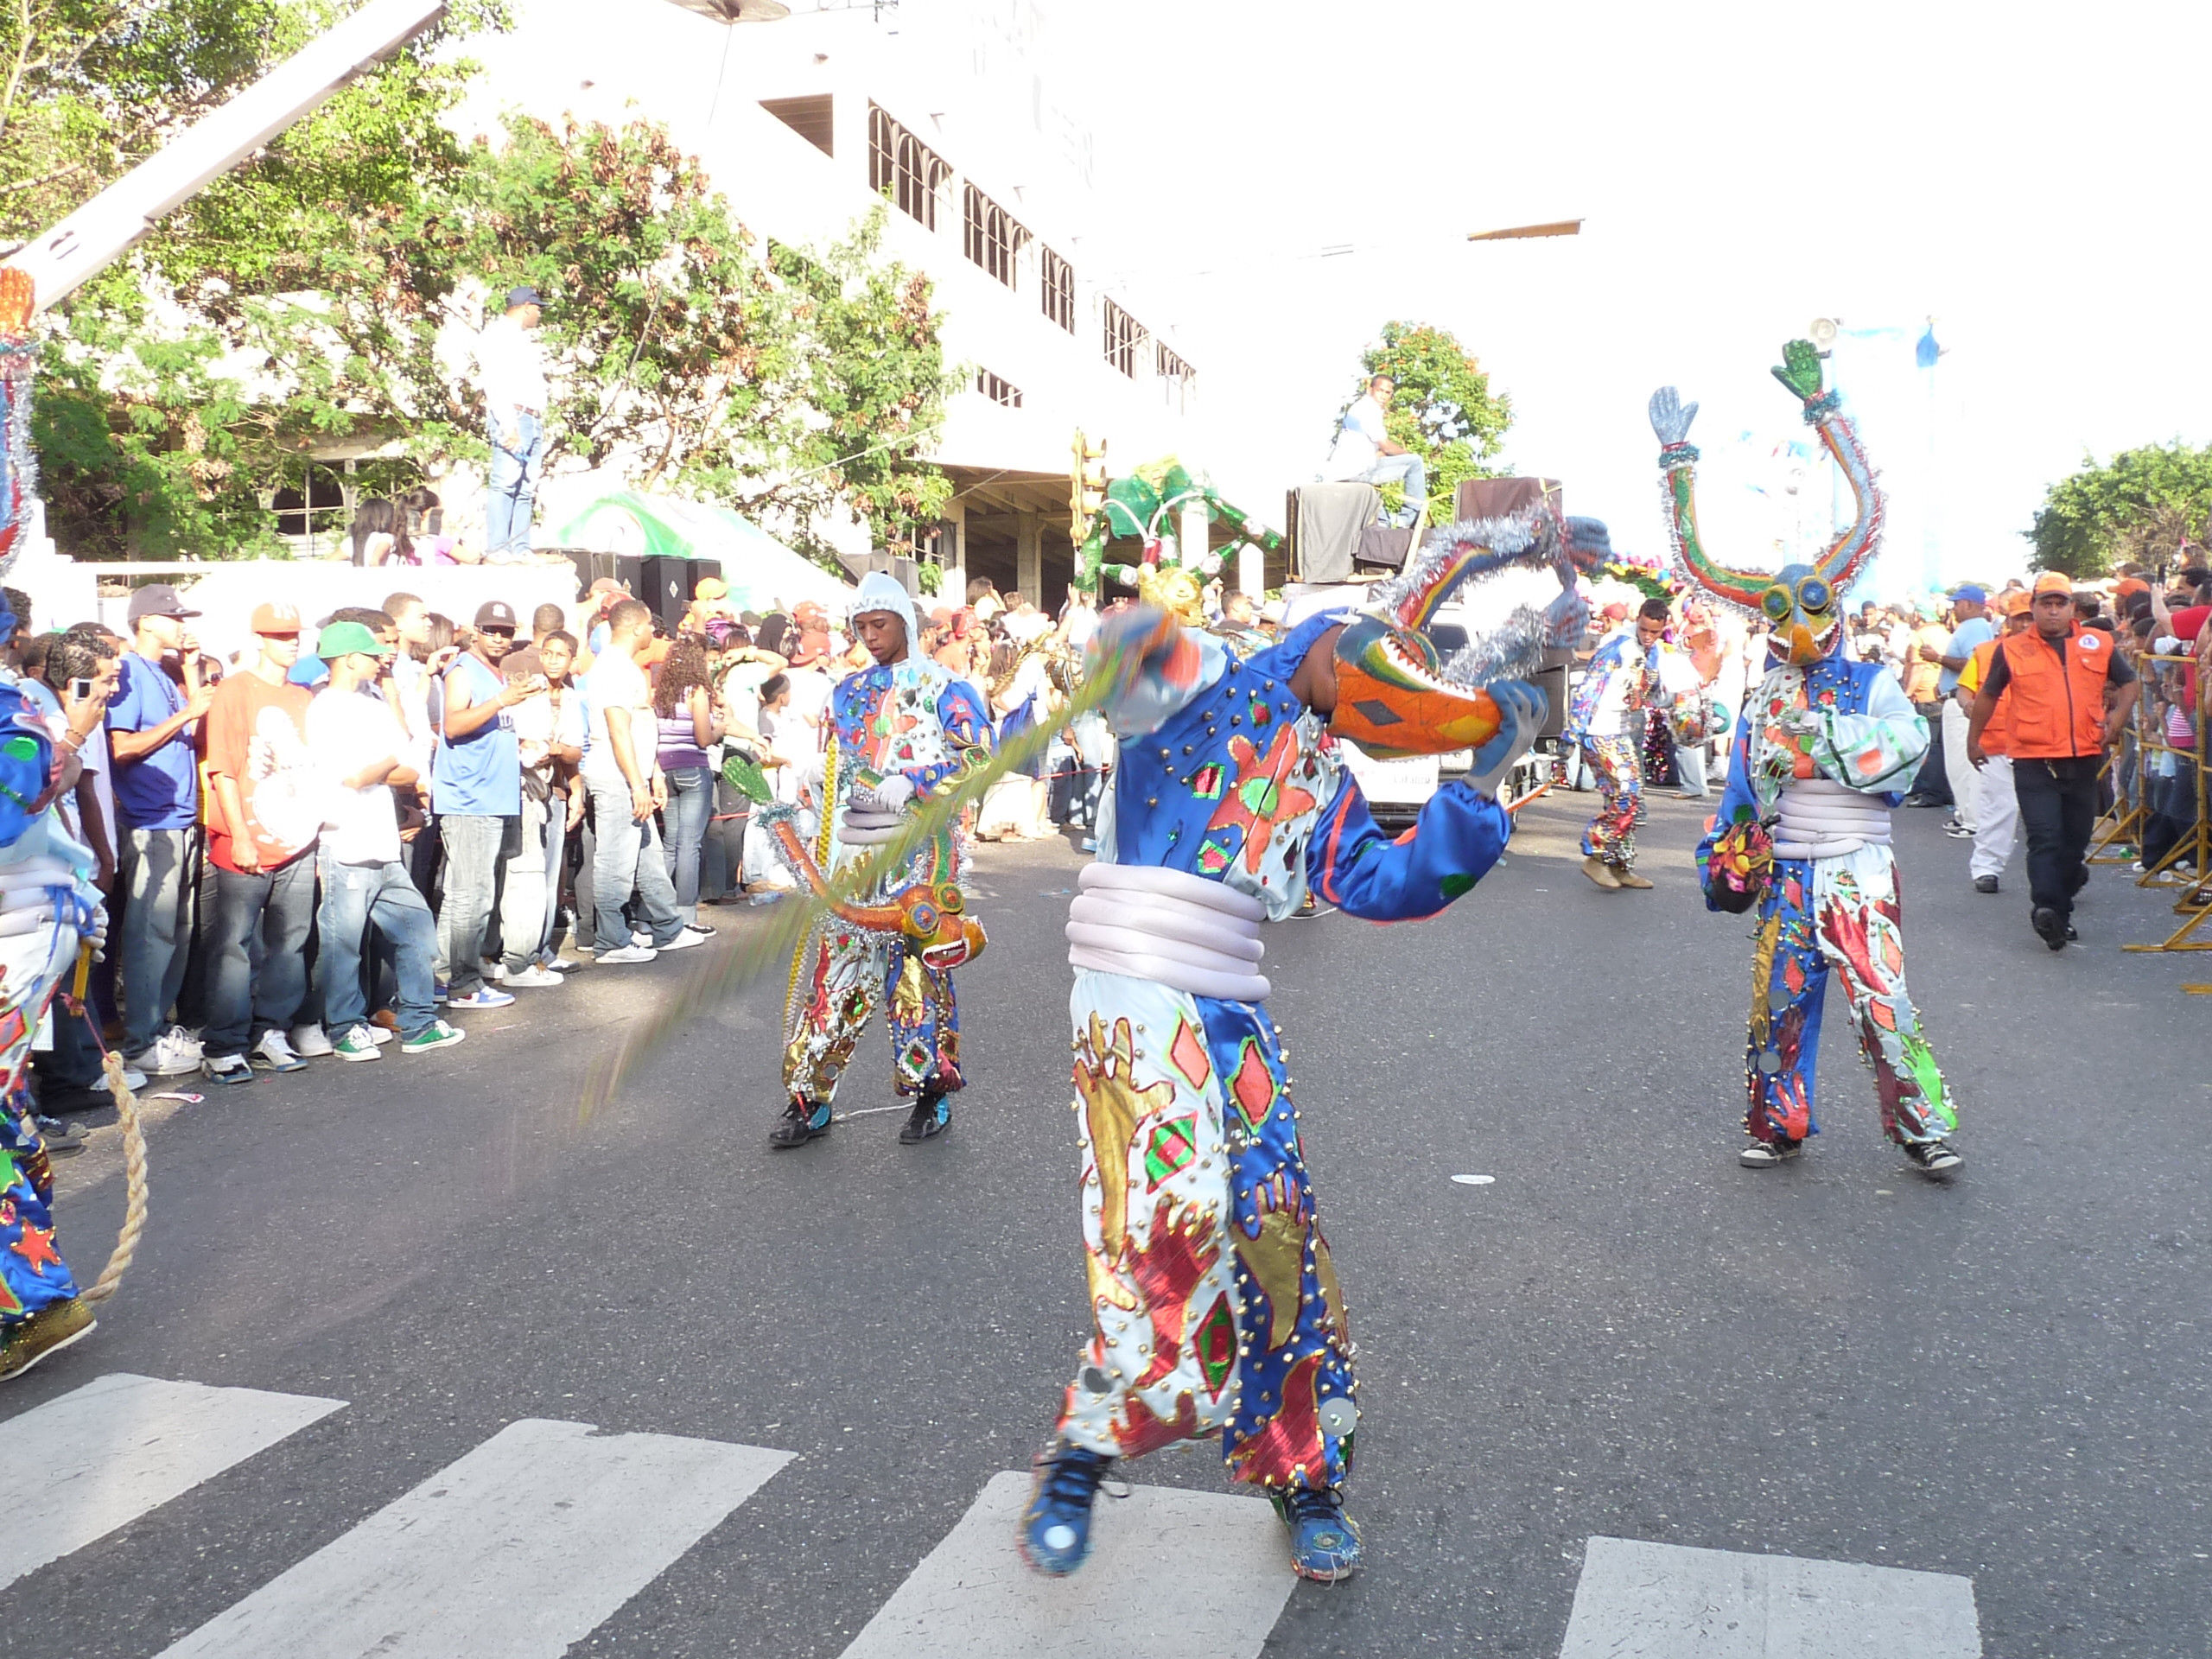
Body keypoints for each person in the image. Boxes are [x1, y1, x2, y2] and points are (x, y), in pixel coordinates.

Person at [1018, 520, 1560, 1585]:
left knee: (1276, 1239)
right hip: (1133, 1005)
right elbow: (1121, 667)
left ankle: (1303, 1473)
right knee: (1165, 1226)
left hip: (1233, 1013)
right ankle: (1085, 1448)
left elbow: (1382, 887)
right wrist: (1139, 626)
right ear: (1323, 639)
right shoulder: (1197, 686)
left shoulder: (1328, 775)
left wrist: (1477, 789)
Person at [1655, 349, 1961, 1179]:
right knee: (1780, 1006)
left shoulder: (1871, 682)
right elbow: (1744, 792)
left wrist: (1825, 408)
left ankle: (1923, 1127)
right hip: (1789, 872)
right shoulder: (1761, 697)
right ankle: (1778, 1121)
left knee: (1882, 1001)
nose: (1798, 630)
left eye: (1811, 611)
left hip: (1858, 865)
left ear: (1836, 609)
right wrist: (1726, 849)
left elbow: (1907, 748)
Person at [770, 573, 992, 1148]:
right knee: (837, 973)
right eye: (860, 626)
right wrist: (819, 784)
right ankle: (809, 1097)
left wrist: (915, 782)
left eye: (879, 624)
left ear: (904, 622)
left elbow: (980, 759)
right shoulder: (844, 693)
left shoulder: (946, 688)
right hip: (854, 853)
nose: (869, 636)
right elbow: (831, 766)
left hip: (921, 857)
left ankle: (930, 1094)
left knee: (916, 977)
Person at [306, 623, 464, 1059]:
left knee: (417, 930)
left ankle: (418, 1023)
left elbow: (405, 771)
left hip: (382, 841)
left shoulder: (373, 703)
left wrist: (384, 762)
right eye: (371, 653)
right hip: (345, 841)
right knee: (343, 945)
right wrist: (391, 756)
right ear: (347, 659)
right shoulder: (324, 709)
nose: (381, 659)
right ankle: (343, 1027)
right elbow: (353, 775)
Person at [1967, 571, 2138, 950]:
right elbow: (1988, 695)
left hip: (2084, 756)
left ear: (2073, 609)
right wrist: (1973, 741)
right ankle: (2047, 910)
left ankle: (2062, 910)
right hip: (2033, 758)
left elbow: (2130, 684)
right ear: (2034, 608)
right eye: (2046, 604)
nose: (2054, 611)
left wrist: (2118, 719)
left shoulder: (2099, 642)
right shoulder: (2010, 649)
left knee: (2074, 842)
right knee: (2044, 837)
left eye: (2061, 604)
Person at [199, 602, 321, 1084]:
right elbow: (222, 769)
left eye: (294, 633)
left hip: (296, 838)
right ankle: (223, 1044)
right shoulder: (234, 690)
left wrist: (312, 836)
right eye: (277, 634)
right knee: (234, 945)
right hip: (245, 838)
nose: (289, 641)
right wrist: (241, 835)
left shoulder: (303, 696)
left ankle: (270, 1029)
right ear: (257, 639)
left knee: (289, 943)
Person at [106, 583, 213, 1077]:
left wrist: (190, 678)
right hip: (150, 820)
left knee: (178, 930)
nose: (182, 626)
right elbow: (122, 747)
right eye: (174, 618)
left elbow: (192, 730)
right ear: (146, 622)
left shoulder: (165, 673)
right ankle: (140, 1041)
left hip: (180, 818)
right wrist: (186, 712)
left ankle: (159, 1030)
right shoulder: (128, 671)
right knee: (151, 934)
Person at [580, 600, 701, 963]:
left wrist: (654, 776)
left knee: (649, 855)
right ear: (635, 627)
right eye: (650, 625)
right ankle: (611, 941)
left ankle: (668, 928)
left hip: (634, 774)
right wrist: (635, 784)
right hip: (617, 775)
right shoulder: (613, 669)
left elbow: (640, 729)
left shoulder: (625, 667)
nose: (654, 632)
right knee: (616, 859)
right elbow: (618, 731)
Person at [432, 601, 531, 1008]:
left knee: (464, 894)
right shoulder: (463, 669)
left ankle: (444, 975)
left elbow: (489, 728)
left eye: (505, 631)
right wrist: (502, 702)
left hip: (490, 796)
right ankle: (464, 984)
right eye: (490, 630)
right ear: (475, 631)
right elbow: (452, 725)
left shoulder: (495, 672)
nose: (498, 638)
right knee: (471, 896)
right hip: (470, 798)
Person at [500, 629, 584, 986]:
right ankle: (519, 952)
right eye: (547, 653)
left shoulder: (570, 698)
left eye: (560, 655)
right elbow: (505, 730)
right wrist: (528, 743)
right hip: (522, 787)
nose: (552, 660)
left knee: (550, 877)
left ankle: (542, 949)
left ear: (571, 661)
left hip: (554, 789)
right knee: (524, 876)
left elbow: (574, 751)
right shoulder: (527, 690)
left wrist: (561, 758)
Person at [1565, 576, 1658, 891]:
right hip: (1600, 731)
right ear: (1637, 621)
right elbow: (1591, 685)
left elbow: (1645, 692)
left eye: (1655, 632)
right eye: (1644, 629)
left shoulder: (1646, 651)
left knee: (1625, 798)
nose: (1648, 636)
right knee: (1627, 797)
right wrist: (1575, 729)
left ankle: (1621, 866)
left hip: (1619, 731)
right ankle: (1596, 854)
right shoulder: (1619, 645)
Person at [1959, 590, 2032, 893]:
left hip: (2045, 747)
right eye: (2020, 619)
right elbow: (1965, 688)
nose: (2026, 625)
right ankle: (1987, 868)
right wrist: (1967, 705)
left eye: (2030, 618)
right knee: (1999, 808)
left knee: (2052, 816)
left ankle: (2061, 872)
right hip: (1998, 744)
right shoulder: (1987, 652)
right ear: (2009, 621)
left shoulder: (2058, 651)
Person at [652, 632, 721, 927]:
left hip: (665, 770)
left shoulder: (661, 692)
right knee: (690, 845)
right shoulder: (697, 692)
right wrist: (721, 728)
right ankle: (686, 915)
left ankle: (653, 912)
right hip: (693, 768)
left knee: (670, 843)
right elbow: (703, 738)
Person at [477, 284, 548, 563]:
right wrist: (509, 425)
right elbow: (495, 382)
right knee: (505, 482)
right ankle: (498, 548)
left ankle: (521, 548)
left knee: (525, 486)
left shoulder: (520, 338)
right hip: (514, 417)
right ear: (527, 306)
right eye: (538, 309)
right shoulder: (497, 335)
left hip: (531, 418)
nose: (539, 314)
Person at [1324, 372, 1427, 528]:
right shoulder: (1368, 408)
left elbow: (1378, 453)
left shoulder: (1360, 409)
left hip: (1350, 474)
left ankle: (1385, 523)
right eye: (1380, 391)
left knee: (1381, 522)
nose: (1383, 396)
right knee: (1415, 462)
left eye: (1388, 393)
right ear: (1370, 390)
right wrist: (1407, 454)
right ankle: (1408, 519)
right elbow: (1386, 446)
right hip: (1357, 474)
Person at [1931, 585, 1993, 839]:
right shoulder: (1971, 627)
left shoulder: (1977, 627)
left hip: (1965, 703)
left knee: (1966, 765)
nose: (1954, 608)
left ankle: (1974, 820)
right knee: (1956, 765)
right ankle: (1965, 815)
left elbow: (1973, 665)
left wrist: (1937, 658)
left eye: (1957, 603)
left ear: (1969, 604)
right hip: (1955, 700)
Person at [1900, 600, 1955, 808]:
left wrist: (1907, 693)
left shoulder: (1920, 635)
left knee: (1928, 746)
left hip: (1926, 697)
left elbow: (1918, 667)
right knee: (1941, 747)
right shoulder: (1945, 633)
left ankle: (1930, 791)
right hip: (1941, 694)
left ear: (1919, 616)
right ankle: (1940, 788)